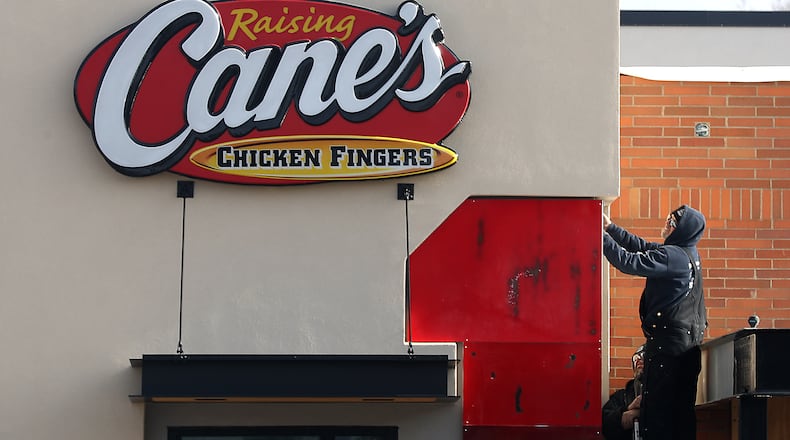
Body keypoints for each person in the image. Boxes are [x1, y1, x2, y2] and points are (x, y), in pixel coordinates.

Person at [602, 205, 707, 440]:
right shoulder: (688, 253)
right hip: (685, 349)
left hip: (667, 351)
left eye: (671, 223)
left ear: (683, 230)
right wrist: (611, 228)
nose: (666, 226)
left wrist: (598, 236)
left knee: (657, 415)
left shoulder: (674, 257)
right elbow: (644, 248)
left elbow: (629, 262)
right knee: (679, 415)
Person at [602, 345, 645, 440]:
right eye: (636, 358)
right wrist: (628, 409)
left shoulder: (667, 394)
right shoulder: (621, 396)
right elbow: (605, 425)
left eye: (644, 356)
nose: (639, 360)